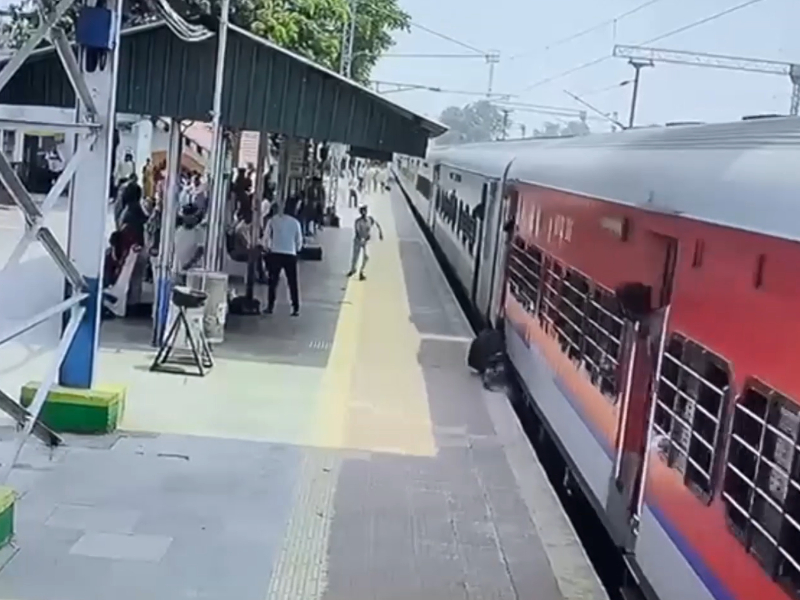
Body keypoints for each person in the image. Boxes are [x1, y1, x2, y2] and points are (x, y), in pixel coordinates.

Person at [262, 203, 303, 316]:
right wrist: (296, 249)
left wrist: (268, 248)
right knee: (292, 282)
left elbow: (266, 238)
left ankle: (270, 306)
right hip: (290, 254)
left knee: (273, 282)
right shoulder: (296, 223)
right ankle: (295, 308)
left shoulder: (273, 220)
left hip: (275, 253)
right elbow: (299, 241)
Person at [347, 205, 383, 281]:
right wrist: (361, 238)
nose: (364, 213)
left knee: (366, 256)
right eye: (362, 211)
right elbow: (357, 231)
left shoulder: (370, 219)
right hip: (358, 240)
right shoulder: (357, 221)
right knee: (355, 256)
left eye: (365, 211)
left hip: (366, 241)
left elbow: (377, 224)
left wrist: (380, 233)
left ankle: (362, 271)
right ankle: (353, 269)